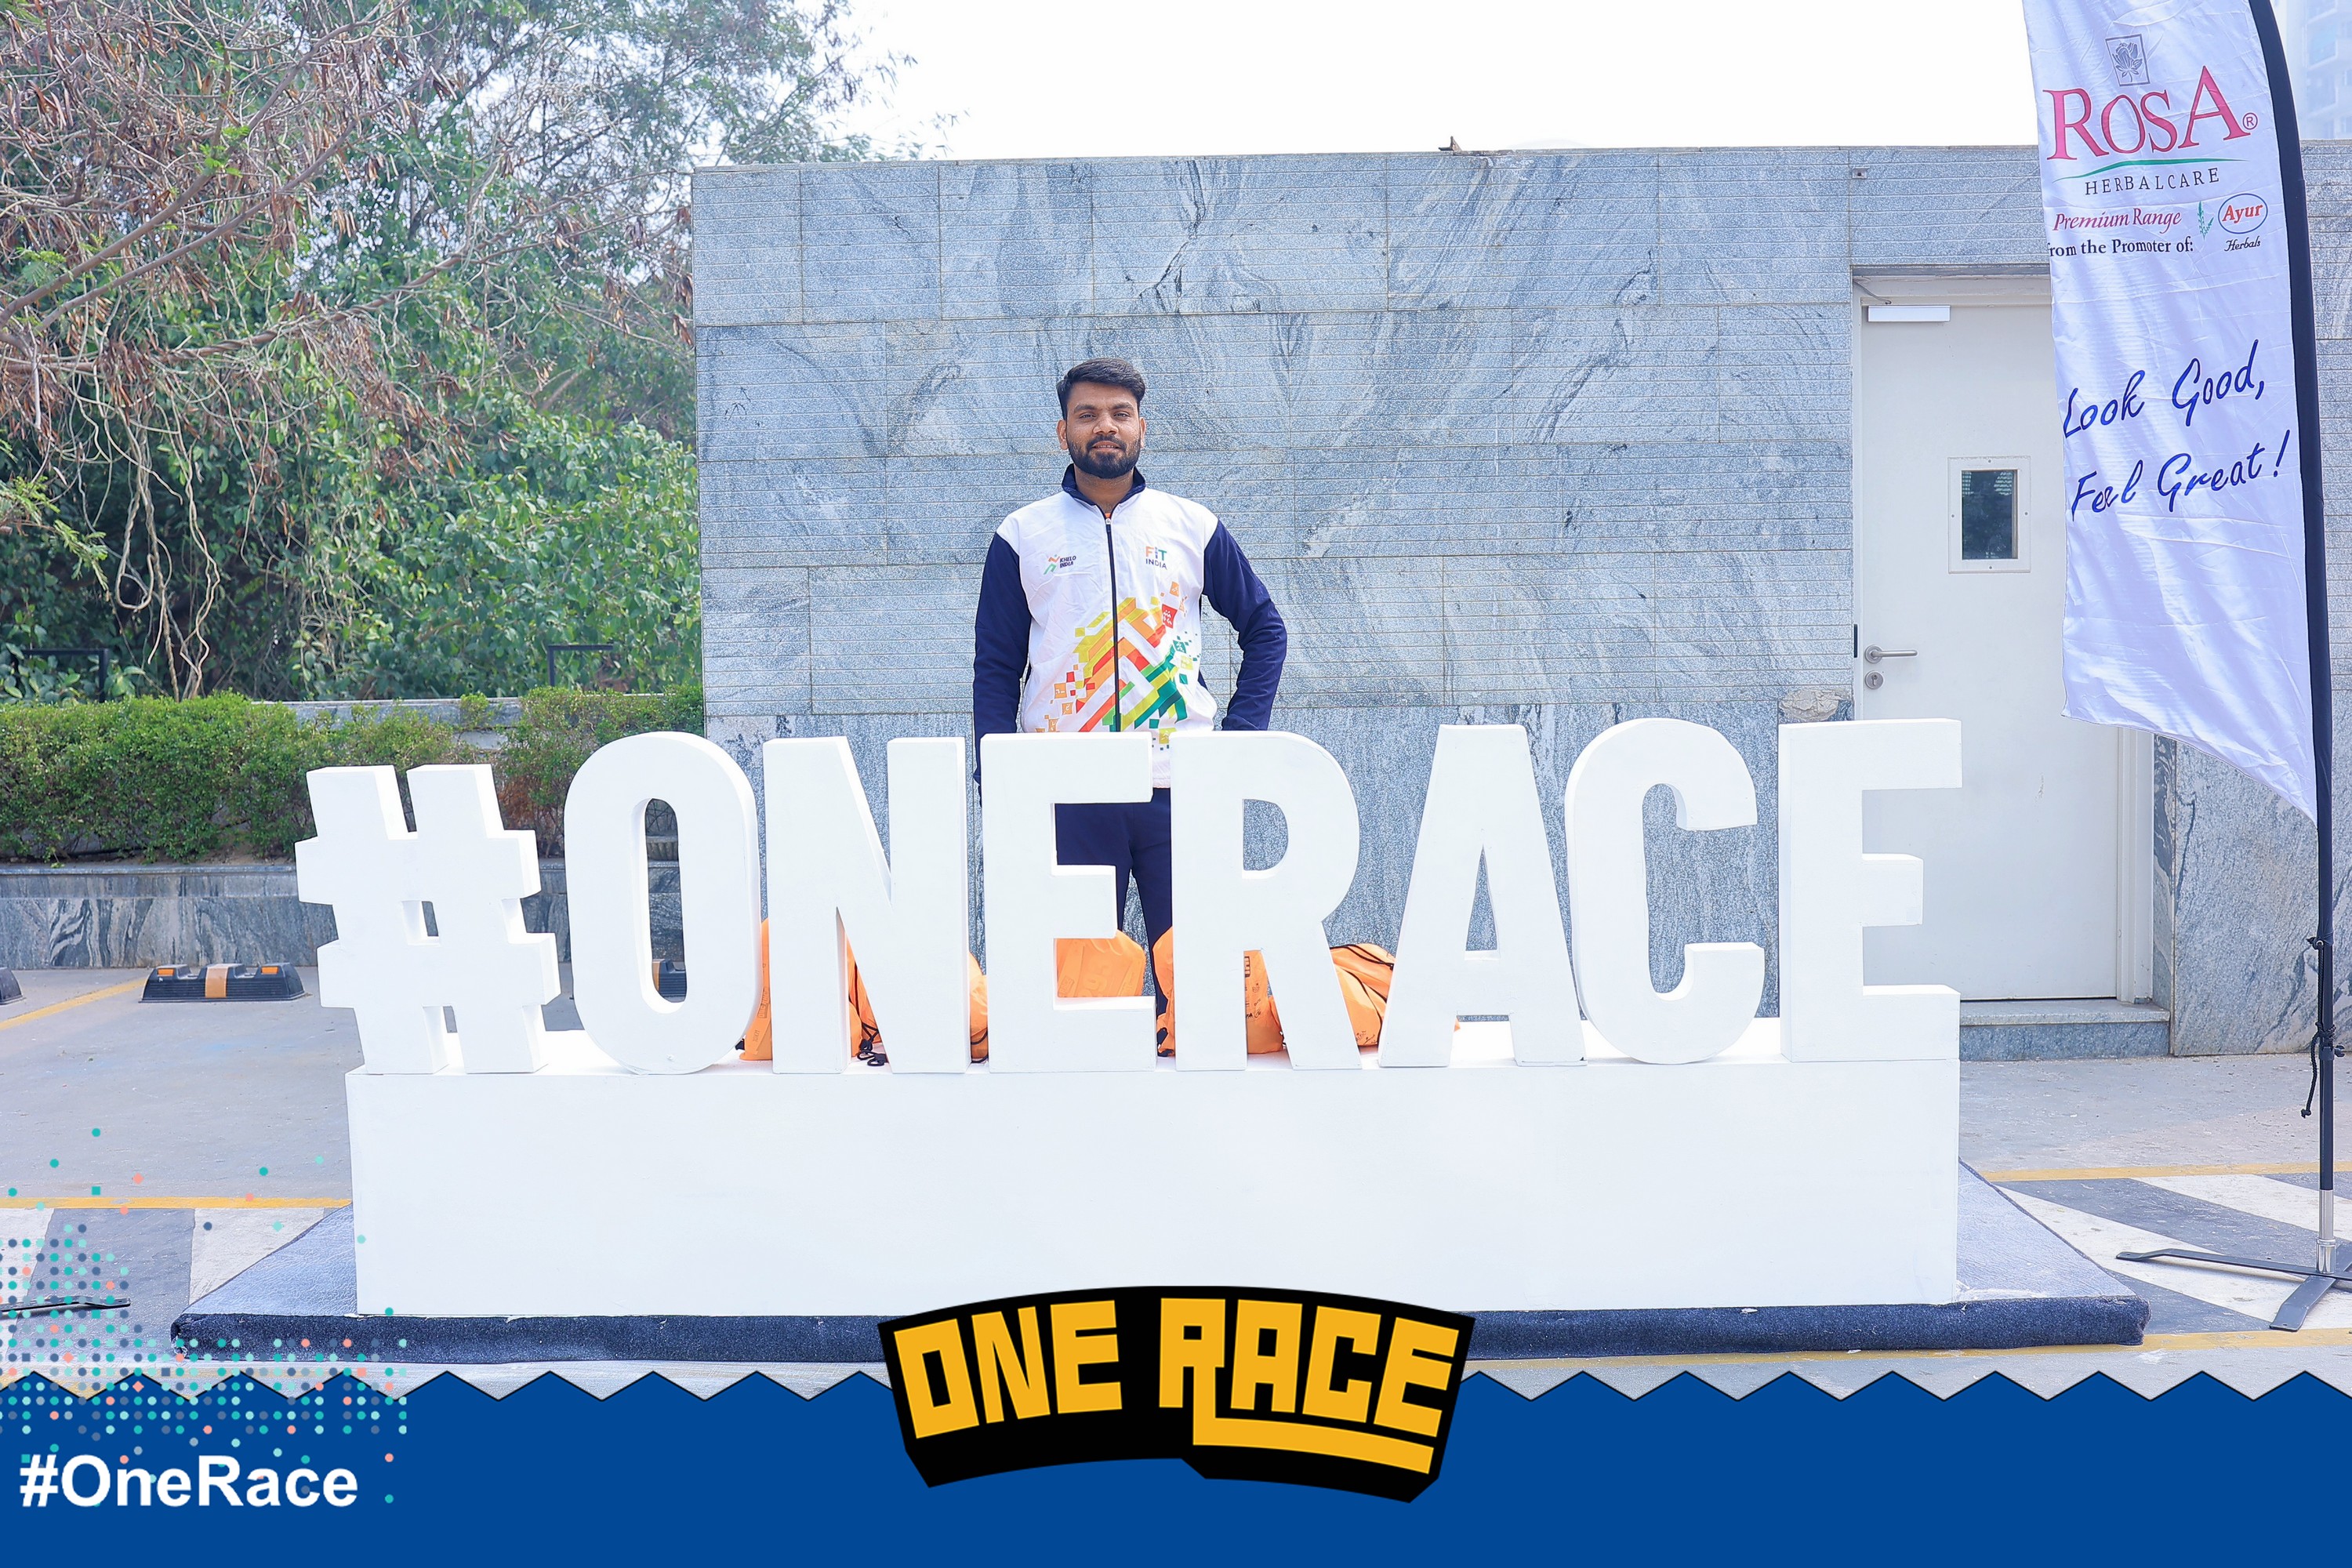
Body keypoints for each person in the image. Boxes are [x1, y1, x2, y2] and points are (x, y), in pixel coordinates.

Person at [971, 357, 1288, 960]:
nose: (1105, 426)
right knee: (1080, 987)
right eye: (1087, 414)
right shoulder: (1023, 535)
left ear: (1142, 427)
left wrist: (1239, 742)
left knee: (1196, 981)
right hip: (1068, 790)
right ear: (1063, 432)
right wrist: (997, 774)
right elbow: (996, 668)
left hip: (1180, 785)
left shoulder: (1190, 525)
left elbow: (1265, 629)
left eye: (1121, 413)